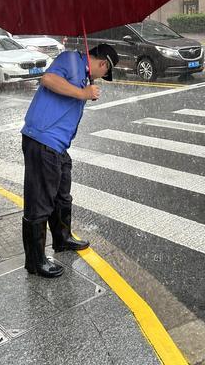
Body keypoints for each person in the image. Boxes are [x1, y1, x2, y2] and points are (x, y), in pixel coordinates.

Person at [21, 43, 119, 278]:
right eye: (105, 74)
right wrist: (82, 93)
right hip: (43, 140)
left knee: (62, 195)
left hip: (58, 146)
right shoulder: (71, 59)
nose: (102, 78)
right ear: (103, 64)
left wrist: (83, 90)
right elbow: (48, 79)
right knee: (40, 201)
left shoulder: (83, 75)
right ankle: (34, 262)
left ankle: (62, 239)